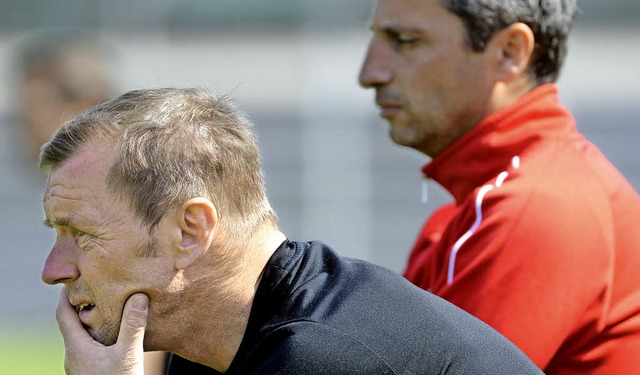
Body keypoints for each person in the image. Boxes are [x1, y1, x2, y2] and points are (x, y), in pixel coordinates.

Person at [38, 87, 543, 374]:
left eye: (80, 233)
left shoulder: (321, 357)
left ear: (190, 232)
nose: (53, 271)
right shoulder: (210, 348)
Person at [358, 0, 640, 374]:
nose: (369, 73)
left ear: (510, 52)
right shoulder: (469, 215)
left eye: (405, 40)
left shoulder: (536, 210)